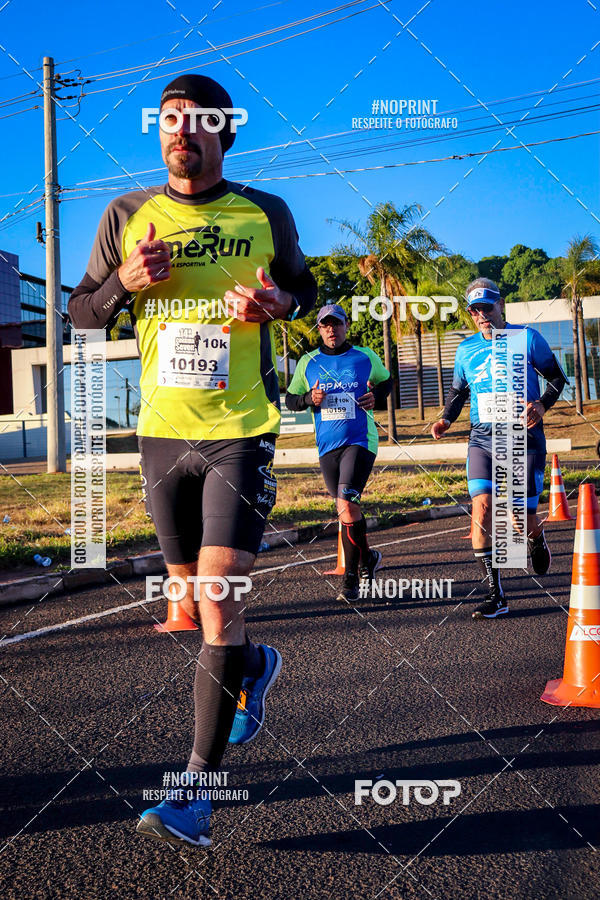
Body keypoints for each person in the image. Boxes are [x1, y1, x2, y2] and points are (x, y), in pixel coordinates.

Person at [68, 73, 317, 846]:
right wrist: (122, 283)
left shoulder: (264, 212)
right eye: (171, 120)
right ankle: (252, 665)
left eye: (200, 122)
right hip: (160, 433)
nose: (184, 132)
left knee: (214, 597)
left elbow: (305, 291)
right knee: (192, 594)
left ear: (225, 134)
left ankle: (197, 796)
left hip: (241, 427)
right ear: (159, 132)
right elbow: (79, 313)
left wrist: (278, 306)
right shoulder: (125, 216)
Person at [431, 278, 567, 619]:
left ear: (501, 305)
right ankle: (496, 595)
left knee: (520, 518)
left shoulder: (527, 338)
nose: (482, 316)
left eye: (487, 308)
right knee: (482, 507)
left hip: (523, 436)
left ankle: (536, 538)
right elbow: (459, 392)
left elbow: (556, 378)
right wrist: (446, 420)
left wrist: (541, 406)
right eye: (475, 311)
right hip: (482, 437)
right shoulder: (465, 350)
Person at [285, 304, 391, 602]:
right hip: (327, 447)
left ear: (346, 326)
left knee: (346, 504)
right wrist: (309, 397)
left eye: (337, 324)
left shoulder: (364, 356)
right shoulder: (308, 362)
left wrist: (377, 396)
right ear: (319, 329)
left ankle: (351, 579)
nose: (331, 329)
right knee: (346, 511)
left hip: (360, 441)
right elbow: (291, 399)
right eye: (325, 325)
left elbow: (386, 381)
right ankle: (368, 557)